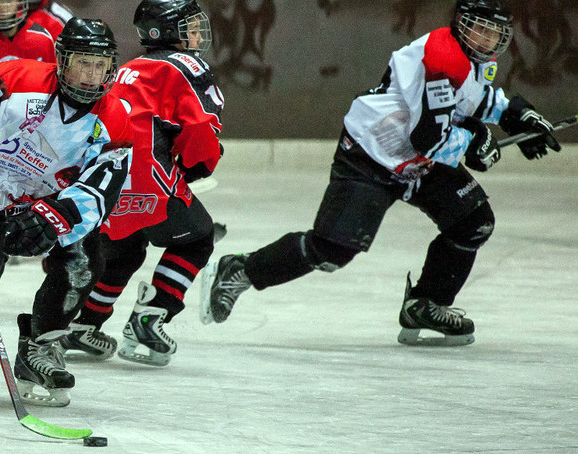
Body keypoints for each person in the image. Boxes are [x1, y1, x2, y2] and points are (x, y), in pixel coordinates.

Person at [201, 0, 561, 346]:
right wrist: (473, 141)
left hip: (417, 162)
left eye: (494, 33)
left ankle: (425, 304)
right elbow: (428, 137)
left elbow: (474, 98)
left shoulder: (472, 59)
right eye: (480, 30)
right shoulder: (442, 58)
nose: (487, 40)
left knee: (473, 222)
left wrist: (515, 114)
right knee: (331, 251)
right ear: (461, 24)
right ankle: (242, 270)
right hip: (371, 155)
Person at [0, 18, 132, 406]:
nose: (90, 76)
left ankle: (40, 346)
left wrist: (57, 217)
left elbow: (99, 192)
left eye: (99, 65)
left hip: (51, 202)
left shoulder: (116, 118)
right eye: (82, 63)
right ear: (61, 60)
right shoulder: (13, 75)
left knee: (84, 263)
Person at [57, 0, 223, 366]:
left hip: (103, 180)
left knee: (126, 249)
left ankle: (86, 325)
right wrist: (199, 167)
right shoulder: (188, 66)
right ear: (167, 31)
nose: (197, 35)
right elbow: (199, 130)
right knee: (198, 238)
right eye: (189, 27)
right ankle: (152, 316)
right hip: (148, 179)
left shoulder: (129, 68)